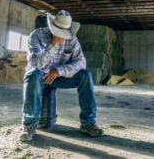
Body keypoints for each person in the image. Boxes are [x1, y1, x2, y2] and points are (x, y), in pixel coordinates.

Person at [19, 10, 104, 142]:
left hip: (59, 76)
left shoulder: (72, 40)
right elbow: (35, 63)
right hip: (40, 75)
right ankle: (29, 125)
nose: (62, 36)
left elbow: (81, 63)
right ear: (52, 26)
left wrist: (59, 71)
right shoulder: (36, 35)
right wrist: (52, 44)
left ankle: (88, 123)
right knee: (33, 74)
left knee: (85, 75)